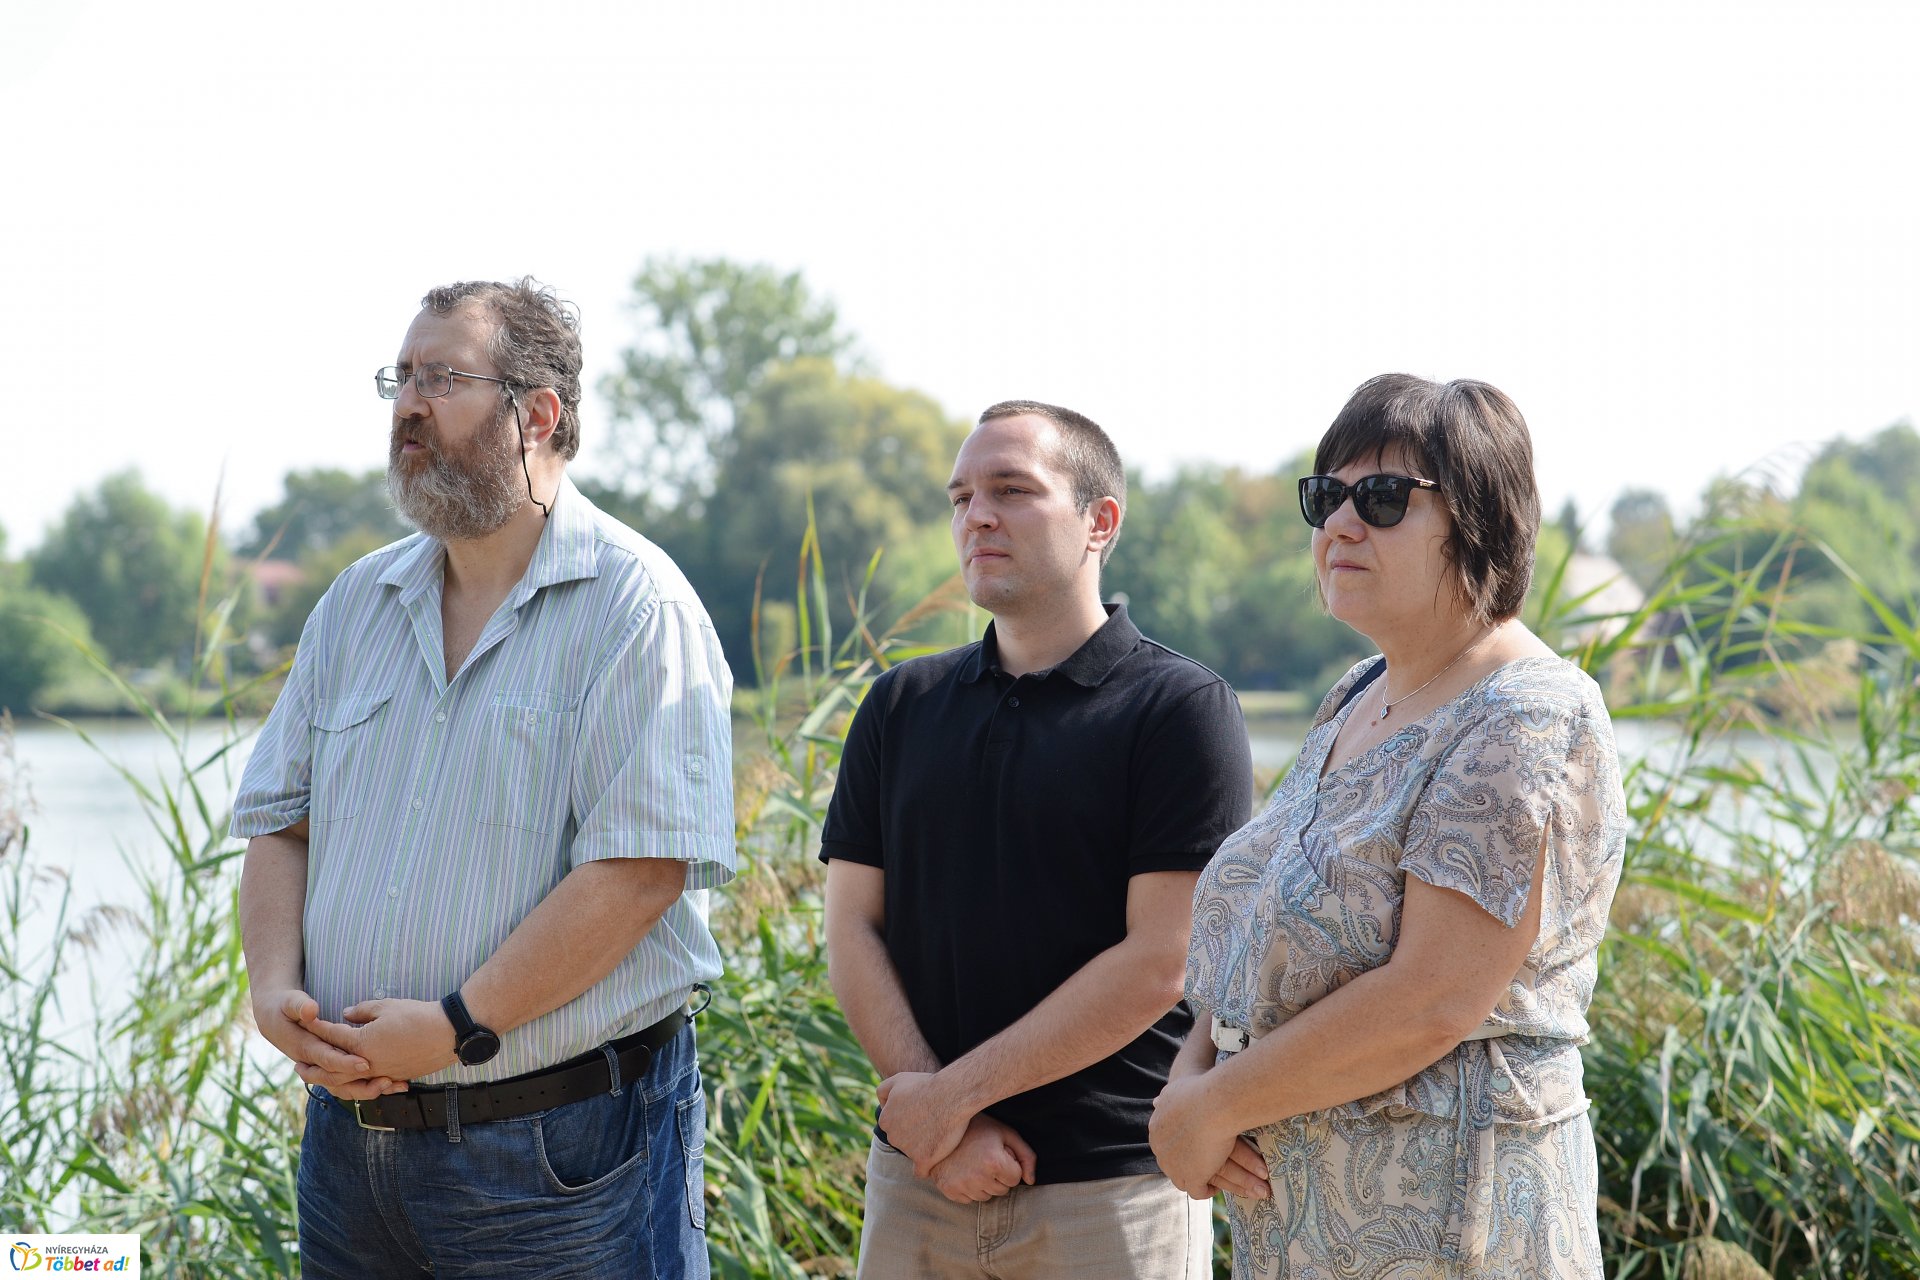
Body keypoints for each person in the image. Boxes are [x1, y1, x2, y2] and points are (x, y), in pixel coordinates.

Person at [232, 278, 735, 1279]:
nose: (408, 405)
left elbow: (640, 871)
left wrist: (457, 1026)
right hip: (350, 1145)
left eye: (444, 378)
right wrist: (274, 990)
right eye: (401, 378)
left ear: (536, 415)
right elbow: (282, 819)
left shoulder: (635, 607)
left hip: (557, 1152)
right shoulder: (356, 602)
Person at [1150, 373, 1627, 1278]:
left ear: (1479, 517)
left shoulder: (1526, 712)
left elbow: (1434, 999)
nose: (1340, 525)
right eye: (1326, 497)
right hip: (1300, 1225)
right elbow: (1262, 927)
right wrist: (1191, 1079)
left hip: (1452, 1225)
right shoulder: (1356, 695)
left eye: (1381, 498)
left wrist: (1210, 1112)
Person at [821, 400, 1255, 1279]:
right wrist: (940, 1128)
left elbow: (1162, 960)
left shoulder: (1180, 711)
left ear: (1101, 521)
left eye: (1012, 490)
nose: (976, 515)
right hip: (919, 1181)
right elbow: (850, 931)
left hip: (1112, 1192)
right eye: (961, 497)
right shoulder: (899, 707)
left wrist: (951, 1100)